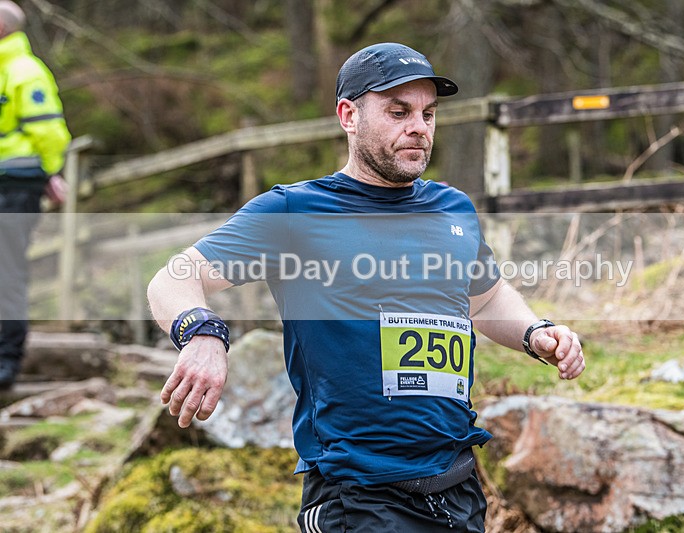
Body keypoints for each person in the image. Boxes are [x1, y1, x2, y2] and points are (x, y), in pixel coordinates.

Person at [148, 42, 585, 532]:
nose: (418, 126)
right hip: (357, 493)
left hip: (457, 482)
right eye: (398, 112)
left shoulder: (452, 208)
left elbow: (483, 297)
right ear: (348, 115)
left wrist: (535, 332)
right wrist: (202, 332)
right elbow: (174, 277)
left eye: (428, 113)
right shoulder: (296, 212)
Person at [0, 0, 71, 390]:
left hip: (14, 186)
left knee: (6, 271)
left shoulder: (25, 71)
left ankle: (7, 362)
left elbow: (49, 131)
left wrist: (51, 171)